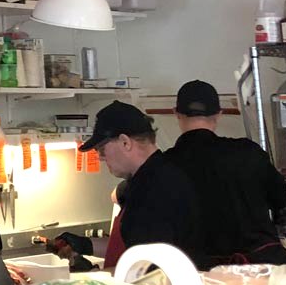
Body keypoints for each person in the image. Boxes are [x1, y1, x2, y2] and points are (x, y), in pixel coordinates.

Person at [163, 79, 286, 267]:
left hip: (202, 274)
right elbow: (281, 199)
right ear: (218, 114)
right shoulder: (248, 152)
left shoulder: (165, 165)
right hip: (262, 267)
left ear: (176, 114)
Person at [78, 100, 206, 268]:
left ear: (125, 142)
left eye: (101, 149)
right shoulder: (150, 178)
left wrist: (97, 277)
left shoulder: (155, 190)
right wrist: (85, 246)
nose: (101, 158)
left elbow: (151, 269)